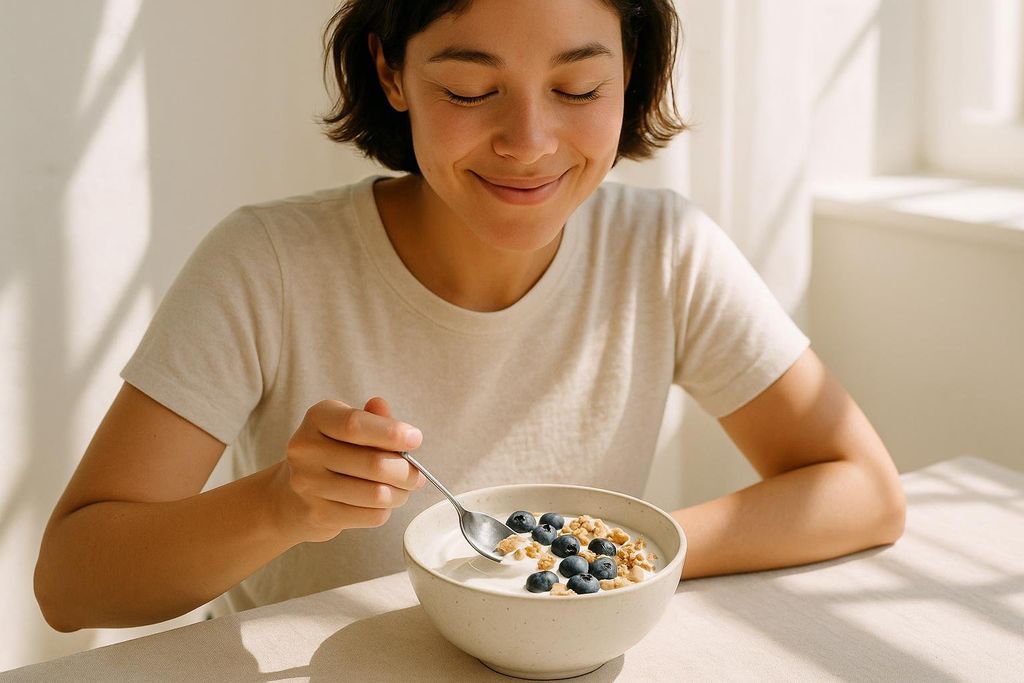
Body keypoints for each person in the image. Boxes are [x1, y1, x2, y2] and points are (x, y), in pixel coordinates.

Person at [34, 0, 905, 632]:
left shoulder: (664, 248)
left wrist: (605, 556)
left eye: (578, 86)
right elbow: (73, 584)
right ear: (391, 73)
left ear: (629, 76)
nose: (528, 141)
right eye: (466, 90)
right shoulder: (269, 262)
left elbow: (863, 488)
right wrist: (280, 505)